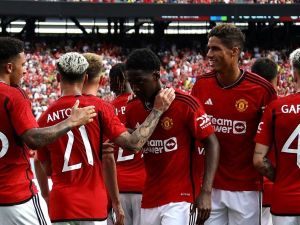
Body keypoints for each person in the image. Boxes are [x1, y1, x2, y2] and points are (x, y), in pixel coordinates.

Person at [36, 52, 175, 225]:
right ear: (85, 77)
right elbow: (132, 144)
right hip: (93, 203)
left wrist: (46, 195)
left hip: (62, 204)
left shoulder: (44, 117)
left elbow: (46, 168)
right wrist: (157, 110)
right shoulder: (100, 108)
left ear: (57, 77)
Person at [0, 37, 96, 225]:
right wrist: (71, 121)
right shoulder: (13, 94)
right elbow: (33, 139)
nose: (26, 69)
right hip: (16, 195)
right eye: (23, 65)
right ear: (10, 68)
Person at [191, 24, 277, 225]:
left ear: (234, 51)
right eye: (209, 48)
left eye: (215, 49)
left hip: (247, 188)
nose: (209, 54)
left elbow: (272, 139)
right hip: (209, 187)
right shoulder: (201, 85)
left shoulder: (262, 90)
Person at [125, 48, 220, 225]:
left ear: (155, 76)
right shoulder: (132, 108)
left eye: (139, 81)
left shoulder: (185, 104)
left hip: (181, 198)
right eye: (131, 83)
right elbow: (130, 141)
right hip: (150, 198)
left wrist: (206, 191)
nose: (135, 88)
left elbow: (212, 143)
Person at [253, 48, 300, 225]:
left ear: (294, 75)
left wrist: (280, 179)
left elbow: (258, 160)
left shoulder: (277, 108)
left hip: (284, 199)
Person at [83, 53, 125, 225]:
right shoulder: (104, 109)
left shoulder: (52, 111)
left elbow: (44, 164)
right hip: (100, 194)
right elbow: (110, 155)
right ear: (100, 80)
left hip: (65, 199)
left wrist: (47, 195)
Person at [108, 63, 146, 225]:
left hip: (116, 188)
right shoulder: (145, 106)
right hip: (143, 185)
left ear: (118, 80)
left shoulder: (107, 109)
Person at [251, 57, 278, 225]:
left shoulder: (238, 105)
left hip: (245, 187)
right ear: (276, 78)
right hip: (275, 185)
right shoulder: (281, 108)